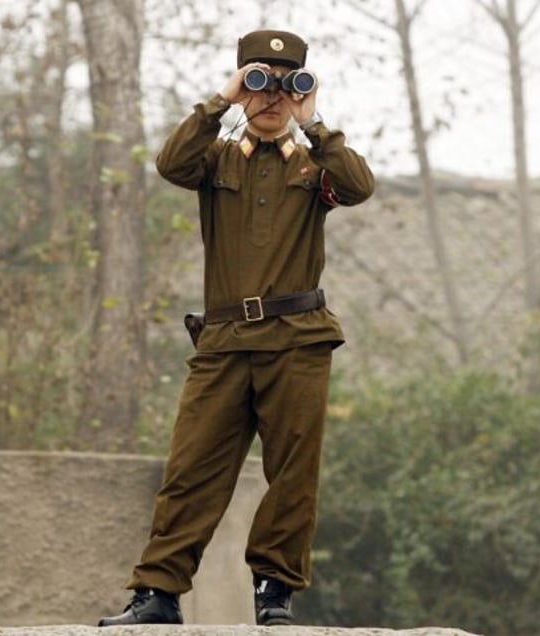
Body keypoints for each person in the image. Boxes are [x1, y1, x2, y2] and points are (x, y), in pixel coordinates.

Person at [98, 29, 374, 627]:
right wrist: (221, 101)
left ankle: (274, 594)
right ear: (240, 83)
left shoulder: (315, 164)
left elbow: (360, 185)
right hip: (223, 343)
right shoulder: (216, 157)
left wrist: (314, 119)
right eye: (259, 81)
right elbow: (170, 162)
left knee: (293, 474)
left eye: (286, 84)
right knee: (190, 468)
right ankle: (158, 595)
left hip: (298, 340)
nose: (272, 96)